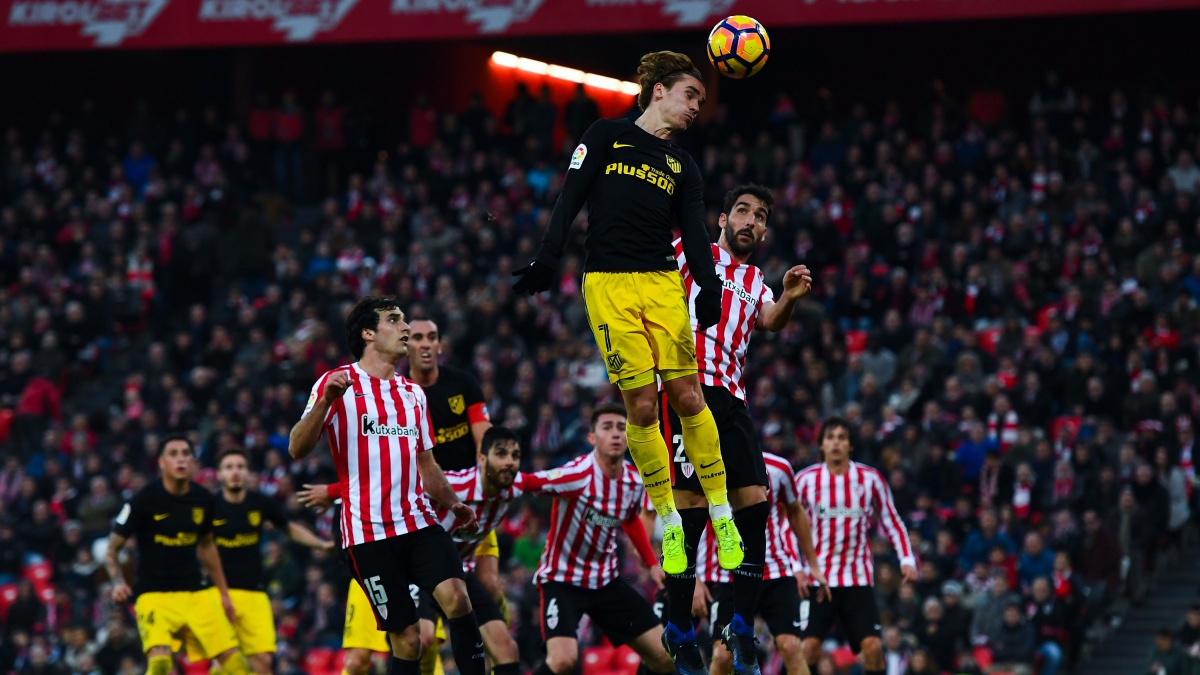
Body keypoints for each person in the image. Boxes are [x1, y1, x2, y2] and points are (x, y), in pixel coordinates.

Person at [511, 51, 743, 583]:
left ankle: (722, 513)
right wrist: (548, 256)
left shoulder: (682, 165)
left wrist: (707, 286)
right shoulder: (604, 134)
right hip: (608, 286)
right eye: (691, 95)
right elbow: (570, 196)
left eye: (702, 101)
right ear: (658, 90)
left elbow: (694, 229)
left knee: (688, 396)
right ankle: (669, 520)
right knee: (640, 406)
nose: (696, 108)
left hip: (662, 283)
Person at [287, 296, 487, 675]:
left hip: (418, 524)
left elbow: (426, 463)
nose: (406, 328)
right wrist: (323, 403)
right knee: (408, 639)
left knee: (457, 599)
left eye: (405, 320)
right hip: (368, 535)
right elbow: (297, 447)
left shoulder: (413, 393)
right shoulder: (337, 383)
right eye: (395, 320)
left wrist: (454, 503)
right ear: (368, 333)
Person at [661, 183, 814, 674]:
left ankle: (739, 624)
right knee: (692, 509)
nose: (751, 221)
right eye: (743, 211)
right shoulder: (690, 252)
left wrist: (788, 296)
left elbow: (769, 320)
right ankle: (678, 624)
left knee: (755, 505)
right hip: (688, 390)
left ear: (765, 230)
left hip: (733, 399)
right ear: (723, 218)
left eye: (760, 215)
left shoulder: (755, 280)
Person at [525, 403, 675, 675]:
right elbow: (529, 482)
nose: (616, 434)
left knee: (666, 659)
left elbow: (629, 519)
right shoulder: (576, 475)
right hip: (563, 581)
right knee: (562, 661)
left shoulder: (633, 481)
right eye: (607, 428)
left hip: (606, 582)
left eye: (621, 428)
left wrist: (653, 564)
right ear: (592, 438)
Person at [105, 434, 251, 675]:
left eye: (186, 454)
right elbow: (112, 548)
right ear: (161, 462)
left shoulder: (203, 499)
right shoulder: (142, 500)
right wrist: (118, 582)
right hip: (153, 594)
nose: (181, 460)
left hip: (195, 592)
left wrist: (224, 594)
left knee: (237, 665)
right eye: (173, 454)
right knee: (161, 663)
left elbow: (206, 546)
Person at [795, 418, 917, 675]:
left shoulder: (870, 479)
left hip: (857, 579)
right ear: (821, 445)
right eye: (830, 437)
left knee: (873, 648)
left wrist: (906, 558)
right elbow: (788, 525)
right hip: (819, 580)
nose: (836, 442)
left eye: (842, 437)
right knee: (808, 648)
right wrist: (796, 566)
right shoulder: (805, 480)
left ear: (850, 445)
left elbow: (891, 519)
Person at [402, 318, 506, 615]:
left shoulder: (463, 384)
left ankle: (500, 650)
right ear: (406, 346)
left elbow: (484, 438)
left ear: (439, 345)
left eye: (431, 337)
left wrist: (493, 474)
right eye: (417, 337)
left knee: (490, 586)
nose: (425, 343)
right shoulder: (400, 395)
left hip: (470, 501)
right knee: (435, 591)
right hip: (428, 508)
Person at [693, 451, 829, 675]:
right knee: (723, 655)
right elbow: (691, 518)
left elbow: (795, 511)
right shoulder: (707, 465)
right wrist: (694, 577)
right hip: (730, 577)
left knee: (791, 647)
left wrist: (811, 565)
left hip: (775, 572)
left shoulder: (779, 467)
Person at [210, 446, 334, 674]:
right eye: (229, 467)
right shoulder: (209, 507)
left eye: (240, 467)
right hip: (219, 595)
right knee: (226, 662)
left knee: (264, 663)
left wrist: (321, 544)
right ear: (219, 474)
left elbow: (289, 528)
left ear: (248, 473)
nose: (235, 472)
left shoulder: (260, 503)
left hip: (255, 594)